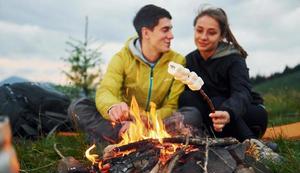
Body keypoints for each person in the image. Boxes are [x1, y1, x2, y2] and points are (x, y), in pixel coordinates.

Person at [68, 4, 190, 144]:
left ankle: (117, 138)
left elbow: (172, 106)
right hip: (123, 122)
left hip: (156, 121)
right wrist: (112, 107)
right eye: (165, 30)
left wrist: (140, 120)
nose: (171, 36)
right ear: (146, 33)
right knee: (78, 107)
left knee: (191, 115)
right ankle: (127, 135)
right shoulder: (122, 58)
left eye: (171, 29)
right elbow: (106, 90)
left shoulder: (177, 61)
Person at [178, 7, 268, 142]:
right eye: (199, 30)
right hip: (214, 120)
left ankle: (253, 144)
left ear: (221, 35)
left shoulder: (234, 58)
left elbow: (242, 93)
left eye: (211, 32)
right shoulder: (189, 60)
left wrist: (228, 112)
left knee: (217, 102)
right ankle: (204, 141)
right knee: (187, 96)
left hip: (247, 115)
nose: (203, 37)